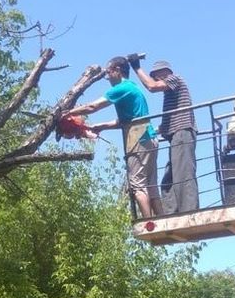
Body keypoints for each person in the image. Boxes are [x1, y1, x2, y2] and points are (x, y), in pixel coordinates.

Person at [61, 56, 161, 218]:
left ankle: (149, 222)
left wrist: (68, 112)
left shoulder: (121, 88)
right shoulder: (132, 88)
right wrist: (101, 126)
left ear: (117, 70)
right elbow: (124, 120)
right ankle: (161, 219)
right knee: (150, 184)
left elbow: (93, 106)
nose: (107, 77)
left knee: (137, 184)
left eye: (108, 72)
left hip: (138, 136)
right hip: (149, 136)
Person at [127, 56, 198, 214]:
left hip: (183, 131)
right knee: (169, 178)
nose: (155, 79)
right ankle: (170, 212)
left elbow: (152, 87)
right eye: (153, 76)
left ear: (165, 72)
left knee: (183, 173)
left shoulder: (175, 79)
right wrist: (150, 131)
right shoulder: (170, 95)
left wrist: (136, 67)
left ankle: (189, 211)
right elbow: (166, 124)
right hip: (175, 134)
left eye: (156, 75)